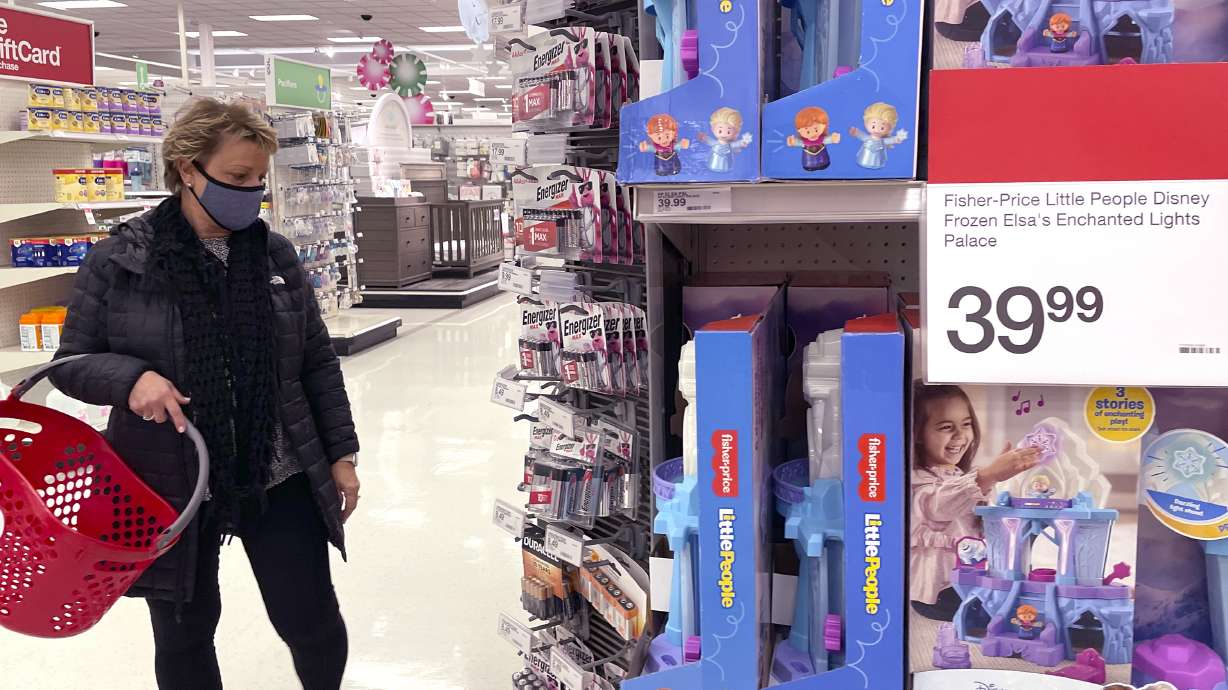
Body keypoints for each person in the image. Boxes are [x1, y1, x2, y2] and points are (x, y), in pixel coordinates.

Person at [49, 97, 360, 690]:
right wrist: (130, 378)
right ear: (188, 169)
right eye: (238, 178)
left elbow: (316, 361)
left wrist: (341, 454)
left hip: (276, 468)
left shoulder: (274, 254)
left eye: (258, 180)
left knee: (311, 619)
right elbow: (73, 362)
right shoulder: (121, 259)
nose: (251, 193)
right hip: (169, 481)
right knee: (185, 633)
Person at [910, 384, 1039, 621]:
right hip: (940, 590)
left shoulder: (960, 478)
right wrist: (989, 475)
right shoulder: (918, 480)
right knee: (1018, 611)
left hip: (971, 577)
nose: (960, 436)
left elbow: (975, 514)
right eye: (946, 427)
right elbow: (939, 505)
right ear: (916, 433)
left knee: (1025, 595)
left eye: (966, 424)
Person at [786, 106, 840, 171]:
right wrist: (792, 142)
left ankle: (823, 164)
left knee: (823, 161)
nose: (812, 133)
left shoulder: (822, 140)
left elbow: (827, 140)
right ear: (799, 131)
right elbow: (798, 142)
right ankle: (809, 166)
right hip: (808, 161)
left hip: (823, 159)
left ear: (824, 126)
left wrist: (833, 139)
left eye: (816, 130)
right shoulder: (804, 142)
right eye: (807, 131)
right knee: (809, 163)